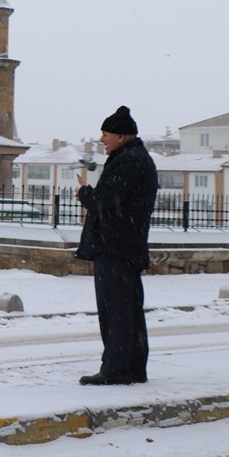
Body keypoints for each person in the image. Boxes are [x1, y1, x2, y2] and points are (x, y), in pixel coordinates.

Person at [74, 105, 159, 385]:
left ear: (122, 136)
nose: (102, 138)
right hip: (125, 245)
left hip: (116, 247)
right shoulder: (133, 158)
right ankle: (133, 367)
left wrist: (85, 194)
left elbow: (104, 202)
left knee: (117, 312)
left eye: (106, 133)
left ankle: (116, 368)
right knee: (128, 310)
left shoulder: (129, 161)